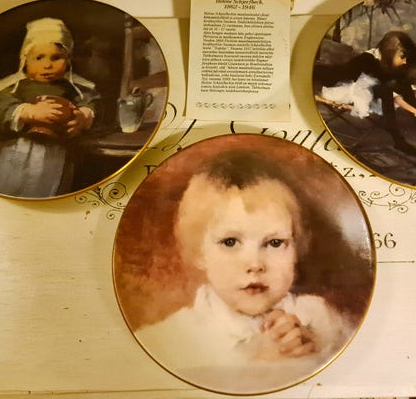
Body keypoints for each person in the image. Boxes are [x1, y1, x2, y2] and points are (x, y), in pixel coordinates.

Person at [136, 150, 353, 384]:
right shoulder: (170, 339)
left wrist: (317, 352)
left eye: (274, 243)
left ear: (295, 248)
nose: (255, 265)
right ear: (199, 252)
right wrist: (260, 366)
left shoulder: (322, 318)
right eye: (230, 242)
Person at [0, 17, 98, 198]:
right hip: (16, 150)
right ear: (25, 60)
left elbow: (91, 102)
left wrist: (83, 116)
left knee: (47, 191)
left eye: (56, 58)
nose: (47, 65)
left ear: (68, 60)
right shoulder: (14, 87)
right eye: (39, 58)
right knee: (9, 186)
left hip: (56, 153)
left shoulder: (75, 88)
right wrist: (28, 112)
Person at [318, 30, 416, 155]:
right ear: (391, 51)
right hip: (346, 88)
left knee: (401, 85)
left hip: (369, 88)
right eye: (402, 57)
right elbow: (394, 96)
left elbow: (407, 85)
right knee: (387, 91)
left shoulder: (387, 61)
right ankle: (398, 141)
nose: (405, 61)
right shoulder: (368, 60)